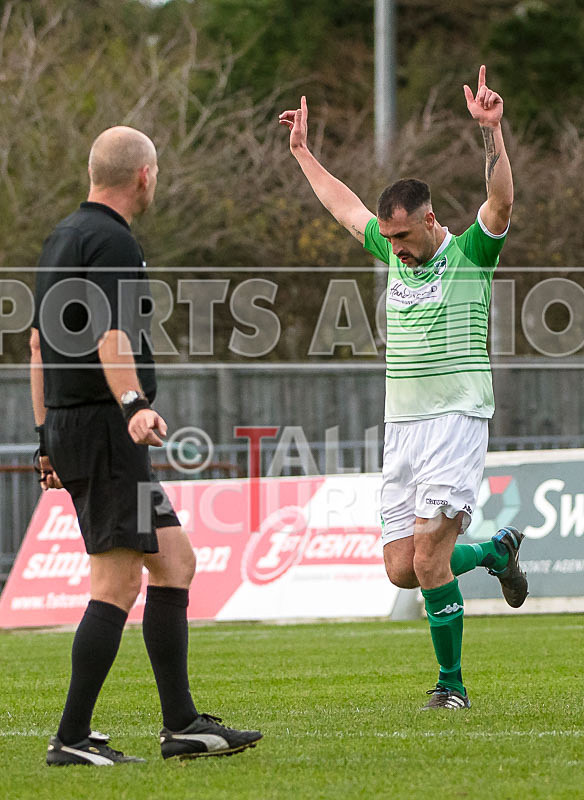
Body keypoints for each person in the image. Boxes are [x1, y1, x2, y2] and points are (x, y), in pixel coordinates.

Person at [279, 66, 527, 709]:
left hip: (456, 418)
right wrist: (304, 153)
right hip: (403, 427)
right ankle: (497, 551)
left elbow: (500, 199)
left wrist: (493, 134)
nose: (395, 248)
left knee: (425, 563)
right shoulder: (392, 248)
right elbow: (343, 205)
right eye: (387, 238)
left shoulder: (472, 251)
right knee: (400, 568)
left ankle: (452, 688)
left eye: (403, 236)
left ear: (430, 219)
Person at [30, 125, 262, 764]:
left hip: (78, 428)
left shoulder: (62, 237)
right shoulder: (113, 241)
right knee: (115, 581)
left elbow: (35, 346)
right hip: (106, 429)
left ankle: (183, 725)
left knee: (175, 560)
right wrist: (132, 404)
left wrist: (44, 437)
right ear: (145, 176)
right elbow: (110, 334)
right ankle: (71, 739)